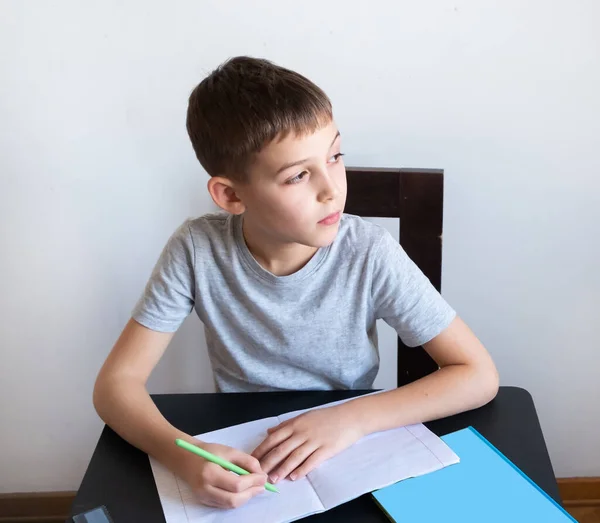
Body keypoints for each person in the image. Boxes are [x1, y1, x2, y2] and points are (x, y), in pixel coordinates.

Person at [93, 56, 499, 510]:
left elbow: (478, 375)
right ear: (230, 195)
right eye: (299, 175)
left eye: (335, 156)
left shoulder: (369, 252)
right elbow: (116, 385)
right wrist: (180, 455)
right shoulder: (196, 249)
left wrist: (350, 420)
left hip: (350, 450)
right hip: (250, 456)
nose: (333, 190)